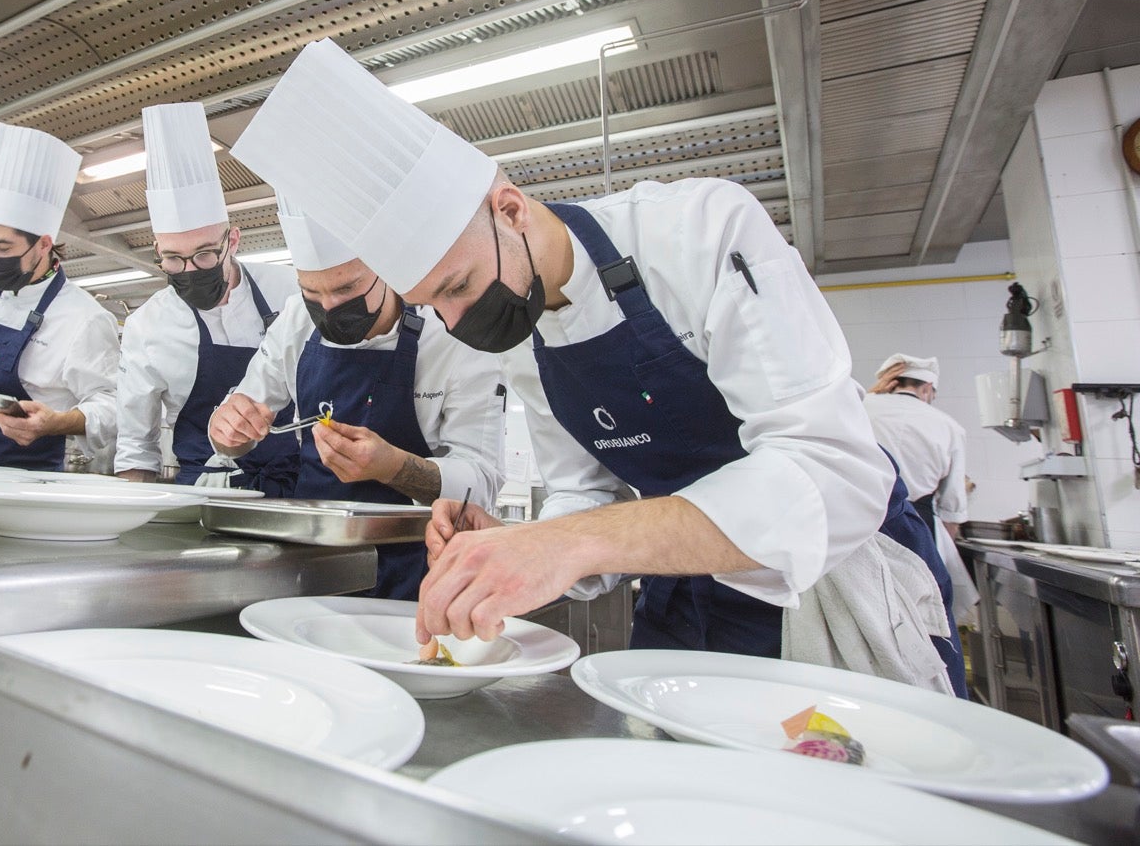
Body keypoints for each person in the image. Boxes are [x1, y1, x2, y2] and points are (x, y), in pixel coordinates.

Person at [233, 38, 964, 693]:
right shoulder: (521, 331)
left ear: (511, 208)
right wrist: (516, 540)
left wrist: (570, 541)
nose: (457, 321)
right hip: (685, 594)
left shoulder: (700, 230)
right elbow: (586, 492)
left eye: (456, 287)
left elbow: (834, 477)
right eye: (434, 304)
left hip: (833, 592)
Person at [206, 194, 506, 599]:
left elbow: (482, 482)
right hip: (308, 565)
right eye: (313, 293)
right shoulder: (295, 320)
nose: (329, 308)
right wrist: (228, 428)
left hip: (416, 569)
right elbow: (236, 423)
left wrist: (394, 467)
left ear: (389, 269)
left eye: (347, 288)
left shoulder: (453, 333)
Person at [114, 103, 301, 491]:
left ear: (232, 240)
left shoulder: (290, 290)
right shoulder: (146, 326)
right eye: (172, 259)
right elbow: (136, 443)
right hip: (204, 492)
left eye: (203, 254)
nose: (189, 270)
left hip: (298, 486)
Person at [0, 123, 119, 472]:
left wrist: (57, 423)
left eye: (4, 247)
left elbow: (113, 404)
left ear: (44, 244)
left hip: (25, 478)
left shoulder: (85, 317)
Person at [865, 354, 978, 624]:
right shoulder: (950, 427)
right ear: (927, 388)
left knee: (868, 611)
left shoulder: (860, 406)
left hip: (858, 523)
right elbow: (952, 507)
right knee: (924, 615)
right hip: (916, 526)